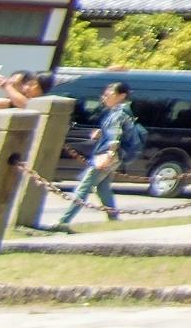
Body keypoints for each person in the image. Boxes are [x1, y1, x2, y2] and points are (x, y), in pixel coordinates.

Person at [54, 82, 145, 229]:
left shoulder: (118, 114)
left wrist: (109, 154)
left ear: (122, 96)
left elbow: (116, 136)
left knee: (85, 186)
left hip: (107, 156)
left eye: (109, 94)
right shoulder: (122, 112)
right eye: (104, 94)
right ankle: (114, 219)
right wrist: (101, 134)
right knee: (103, 187)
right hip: (114, 155)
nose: (104, 97)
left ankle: (63, 222)